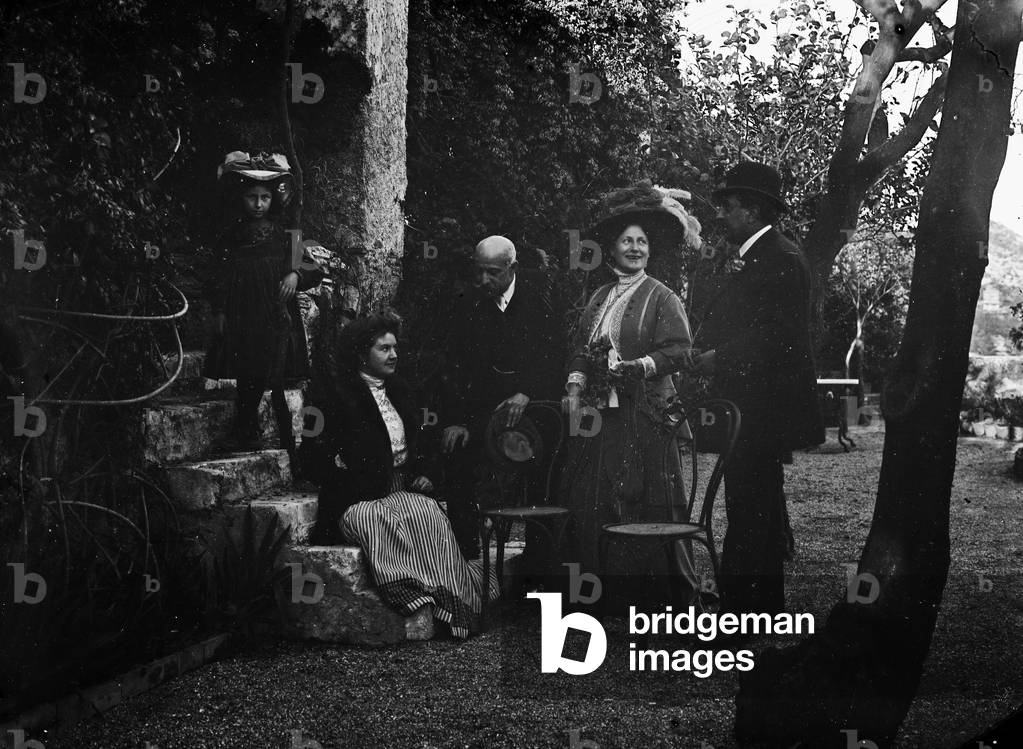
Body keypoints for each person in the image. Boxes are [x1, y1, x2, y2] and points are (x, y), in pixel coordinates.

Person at [307, 312, 497, 637]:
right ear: (360, 354)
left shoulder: (401, 392)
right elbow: (311, 458)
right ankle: (412, 592)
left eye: (394, 348)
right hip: (355, 496)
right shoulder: (335, 397)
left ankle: (449, 598)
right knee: (376, 521)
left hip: (398, 489)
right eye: (383, 349)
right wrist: (347, 473)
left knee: (428, 512)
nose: (393, 355)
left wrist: (424, 473)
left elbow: (420, 444)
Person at [689, 161, 824, 615]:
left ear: (752, 210)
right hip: (754, 406)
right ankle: (757, 607)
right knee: (755, 503)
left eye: (728, 206)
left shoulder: (779, 257)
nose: (722, 215)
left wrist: (718, 358)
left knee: (749, 506)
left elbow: (777, 336)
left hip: (763, 408)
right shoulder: (765, 255)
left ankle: (743, 609)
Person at [559, 181, 702, 594]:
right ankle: (608, 591)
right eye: (626, 241)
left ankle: (661, 591)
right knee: (597, 495)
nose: (634, 248)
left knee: (651, 497)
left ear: (650, 250)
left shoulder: (663, 296)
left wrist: (641, 365)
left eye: (641, 241)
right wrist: (574, 387)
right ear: (613, 248)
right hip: (600, 416)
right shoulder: (599, 297)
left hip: (649, 415)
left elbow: (679, 350)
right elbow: (582, 349)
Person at [440, 236, 563, 560]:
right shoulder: (467, 303)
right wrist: (458, 421)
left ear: (513, 268)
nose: (483, 280)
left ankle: (538, 559)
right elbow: (454, 368)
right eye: (478, 271)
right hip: (481, 414)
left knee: (544, 468)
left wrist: (527, 393)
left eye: (492, 272)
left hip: (532, 410)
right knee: (456, 451)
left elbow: (554, 359)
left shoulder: (540, 303)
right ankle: (466, 553)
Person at [204, 151, 323, 476]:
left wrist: (295, 275)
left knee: (263, 366)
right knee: (247, 367)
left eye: (265, 197)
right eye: (252, 197)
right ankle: (247, 427)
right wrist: (218, 310)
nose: (258, 204)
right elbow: (217, 273)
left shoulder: (286, 232)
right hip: (242, 311)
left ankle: (251, 428)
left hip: (272, 312)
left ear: (274, 198)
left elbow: (314, 268)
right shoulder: (232, 234)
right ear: (242, 198)